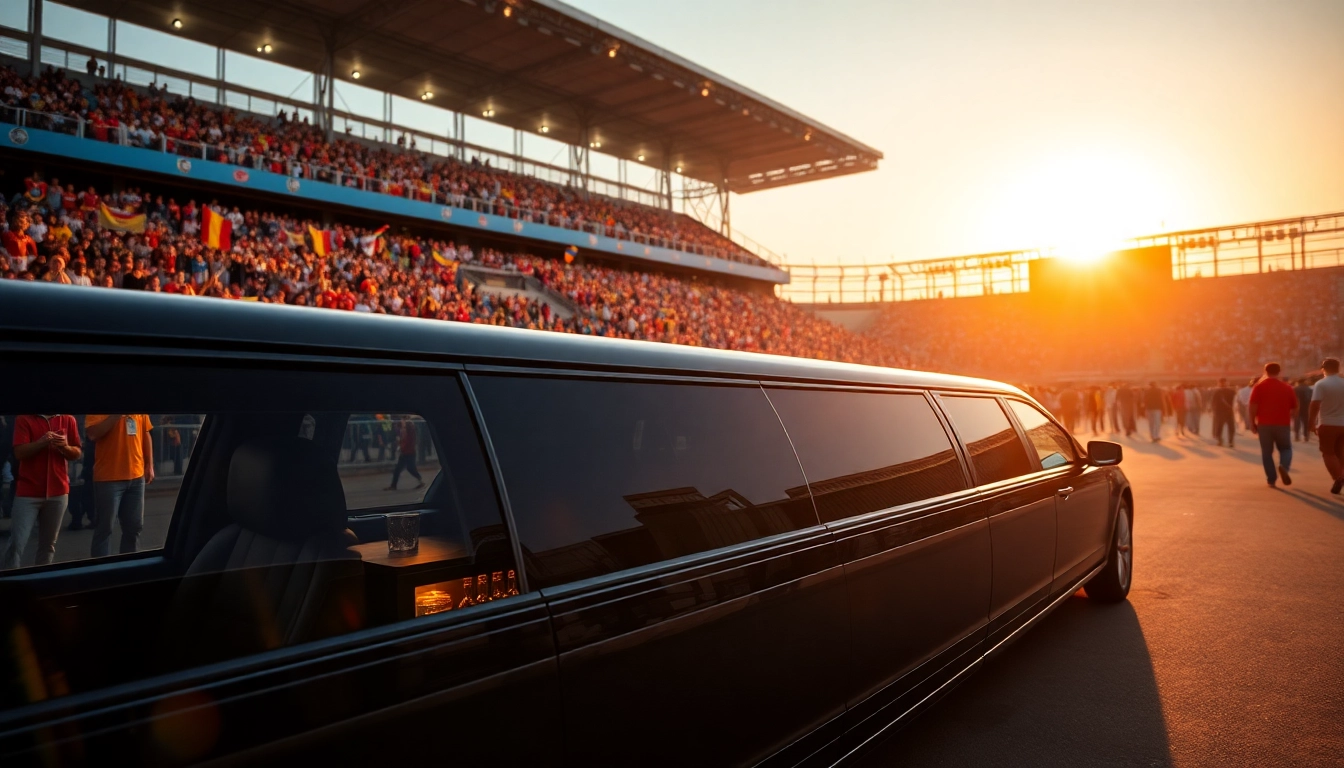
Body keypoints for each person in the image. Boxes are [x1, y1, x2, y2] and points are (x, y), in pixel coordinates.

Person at [3, 414, 82, 569]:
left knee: (48, 545)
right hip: (28, 492)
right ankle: (10, 581)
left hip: (58, 492)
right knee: (17, 543)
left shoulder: (68, 418)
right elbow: (19, 452)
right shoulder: (24, 418)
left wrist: (64, 447)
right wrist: (41, 443)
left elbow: (77, 452)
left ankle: (42, 581)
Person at [85, 414, 154, 557]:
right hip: (109, 477)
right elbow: (92, 434)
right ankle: (100, 572)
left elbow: (145, 433)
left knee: (134, 528)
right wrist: (117, 415)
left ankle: (129, 568)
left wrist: (149, 465)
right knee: (105, 528)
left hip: (136, 476)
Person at [1249, 363, 1298, 488]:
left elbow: (1253, 406)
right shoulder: (1287, 388)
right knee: (1286, 448)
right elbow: (1295, 407)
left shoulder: (1259, 387)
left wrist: (1252, 422)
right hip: (1282, 424)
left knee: (1267, 452)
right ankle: (1284, 467)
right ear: (1279, 372)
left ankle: (1271, 479)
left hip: (1264, 424)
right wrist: (1290, 418)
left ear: (1265, 371)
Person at [1308, 358, 1344, 495]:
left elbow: (1315, 404)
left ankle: (1339, 478)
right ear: (1338, 368)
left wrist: (1311, 423)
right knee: (1340, 453)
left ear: (1323, 369)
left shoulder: (1321, 384)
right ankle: (1341, 475)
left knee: (1328, 453)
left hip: (1328, 423)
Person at [385, 416, 425, 492]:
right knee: (399, 469)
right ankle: (393, 485)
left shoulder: (409, 427)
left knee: (410, 468)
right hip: (406, 453)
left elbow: (407, 441)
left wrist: (401, 447)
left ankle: (421, 480)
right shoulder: (407, 428)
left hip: (409, 453)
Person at [1211, 378, 1237, 448]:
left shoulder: (1216, 391)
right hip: (1228, 411)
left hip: (1220, 412)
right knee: (1230, 427)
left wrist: (1213, 411)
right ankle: (1230, 441)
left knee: (1220, 427)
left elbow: (1213, 403)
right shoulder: (1232, 391)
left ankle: (1221, 440)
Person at [1293, 378, 1314, 443]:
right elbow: (1312, 399)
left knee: (1297, 422)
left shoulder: (1295, 389)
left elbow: (1293, 399)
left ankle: (1297, 436)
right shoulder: (1309, 389)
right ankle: (1306, 436)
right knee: (1306, 421)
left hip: (1297, 407)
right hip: (1307, 407)